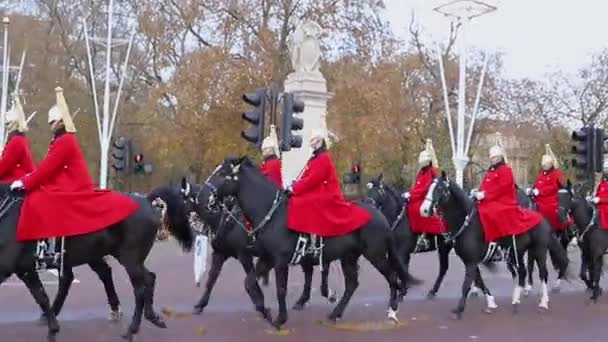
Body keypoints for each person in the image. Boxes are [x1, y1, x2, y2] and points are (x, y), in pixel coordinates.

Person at [10, 87, 139, 267]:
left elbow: (47, 168)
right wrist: (29, 178)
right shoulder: (61, 140)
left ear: (60, 122)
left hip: (73, 184)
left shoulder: (65, 141)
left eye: (53, 122)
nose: (50, 126)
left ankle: (48, 248)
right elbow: (48, 167)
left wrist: (25, 182)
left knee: (38, 200)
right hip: (65, 181)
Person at [286, 129, 371, 242]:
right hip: (319, 190)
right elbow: (306, 177)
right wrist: (294, 185)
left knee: (302, 202)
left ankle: (310, 237)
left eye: (314, 140)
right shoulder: (315, 158)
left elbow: (313, 180)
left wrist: (294, 188)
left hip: (328, 193)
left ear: (320, 141)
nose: (312, 143)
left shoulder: (323, 158)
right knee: (296, 199)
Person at [473, 142, 543, 245]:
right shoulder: (490, 172)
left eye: (495, 157)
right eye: (491, 158)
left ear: (500, 158)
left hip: (504, 201)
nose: (492, 160)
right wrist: (478, 192)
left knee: (488, 211)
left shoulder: (506, 170)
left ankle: (494, 239)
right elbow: (485, 186)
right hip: (490, 200)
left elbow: (502, 188)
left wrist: (485, 195)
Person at [406, 139, 446, 250]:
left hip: (426, 198)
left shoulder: (431, 171)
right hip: (417, 196)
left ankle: (423, 235)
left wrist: (412, 195)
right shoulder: (421, 172)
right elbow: (417, 186)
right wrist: (410, 193)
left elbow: (426, 188)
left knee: (416, 209)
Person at [527, 144, 569, 231]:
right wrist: (531, 190)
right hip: (538, 200)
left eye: (546, 164)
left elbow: (555, 186)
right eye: (543, 164)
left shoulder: (556, 174)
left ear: (550, 164)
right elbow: (536, 186)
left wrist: (540, 192)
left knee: (550, 212)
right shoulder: (540, 176)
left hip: (551, 201)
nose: (544, 166)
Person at [0, 94, 35, 183]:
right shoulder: (21, 140)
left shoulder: (16, 141)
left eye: (8, 124)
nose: (7, 127)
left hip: (16, 181)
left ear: (15, 123)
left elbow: (5, 165)